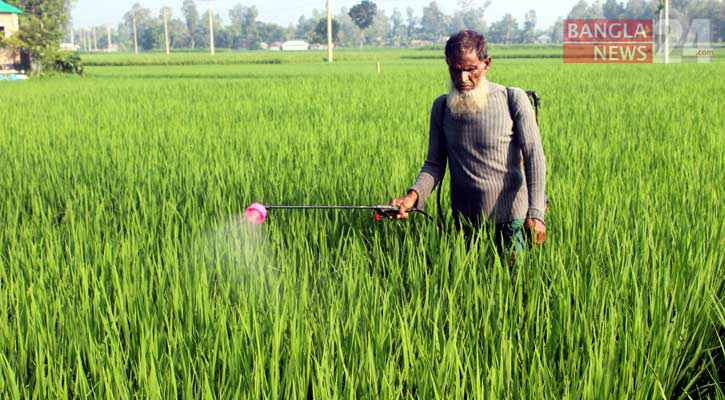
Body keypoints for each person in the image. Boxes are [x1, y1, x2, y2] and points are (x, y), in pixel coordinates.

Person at [390, 30, 547, 254]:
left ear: (486, 64)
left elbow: (534, 158)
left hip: (512, 219)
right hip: (465, 223)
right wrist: (412, 197)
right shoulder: (442, 107)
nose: (463, 78)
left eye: (471, 69)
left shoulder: (512, 99)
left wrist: (536, 213)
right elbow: (434, 165)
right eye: (456, 70)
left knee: (514, 285)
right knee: (469, 283)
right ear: (448, 64)